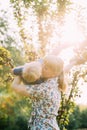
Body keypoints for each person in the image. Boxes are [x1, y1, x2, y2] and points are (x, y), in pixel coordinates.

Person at [12, 55, 67, 130]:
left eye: (46, 68)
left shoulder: (44, 88)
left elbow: (15, 87)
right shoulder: (54, 81)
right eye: (43, 64)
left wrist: (23, 70)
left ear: (53, 74)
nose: (41, 67)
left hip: (42, 127)